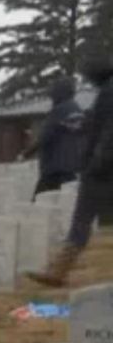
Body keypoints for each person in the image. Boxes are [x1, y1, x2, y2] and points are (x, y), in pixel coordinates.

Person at [29, 56, 113, 287]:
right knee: (82, 219)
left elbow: (108, 133)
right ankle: (58, 270)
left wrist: (97, 161)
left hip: (101, 170)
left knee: (81, 219)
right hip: (100, 166)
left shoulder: (108, 92)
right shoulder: (103, 92)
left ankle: (58, 271)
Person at [27, 77, 86, 197]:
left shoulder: (58, 111)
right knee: (68, 200)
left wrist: (27, 152)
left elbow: (45, 136)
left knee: (40, 201)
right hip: (73, 165)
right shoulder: (78, 110)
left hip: (54, 166)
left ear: (59, 93)